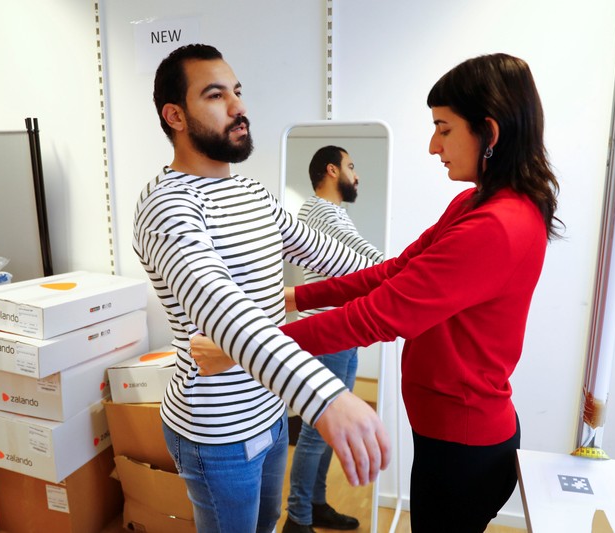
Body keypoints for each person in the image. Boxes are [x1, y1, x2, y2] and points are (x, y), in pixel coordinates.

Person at [194, 53, 561, 532]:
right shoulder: (475, 203)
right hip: (448, 433)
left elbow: (379, 315)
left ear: (489, 133)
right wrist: (294, 299)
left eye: (444, 129)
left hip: (464, 444)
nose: (434, 145)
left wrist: (244, 347)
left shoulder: (496, 225)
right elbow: (394, 271)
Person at [132, 44, 390, 533]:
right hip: (219, 430)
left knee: (267, 522)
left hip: (270, 410)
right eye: (215, 95)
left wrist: (412, 273)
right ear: (175, 116)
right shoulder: (167, 206)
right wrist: (327, 398)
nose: (238, 107)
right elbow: (226, 311)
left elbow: (330, 255)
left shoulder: (250, 192)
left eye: (237, 91)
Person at [283, 146, 384, 533]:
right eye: (351, 166)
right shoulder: (320, 212)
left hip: (341, 328)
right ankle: (298, 518)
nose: (356, 175)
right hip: (327, 333)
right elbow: (365, 258)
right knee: (317, 428)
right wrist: (406, 269)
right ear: (331, 169)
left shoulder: (333, 213)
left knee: (328, 428)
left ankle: (315, 504)